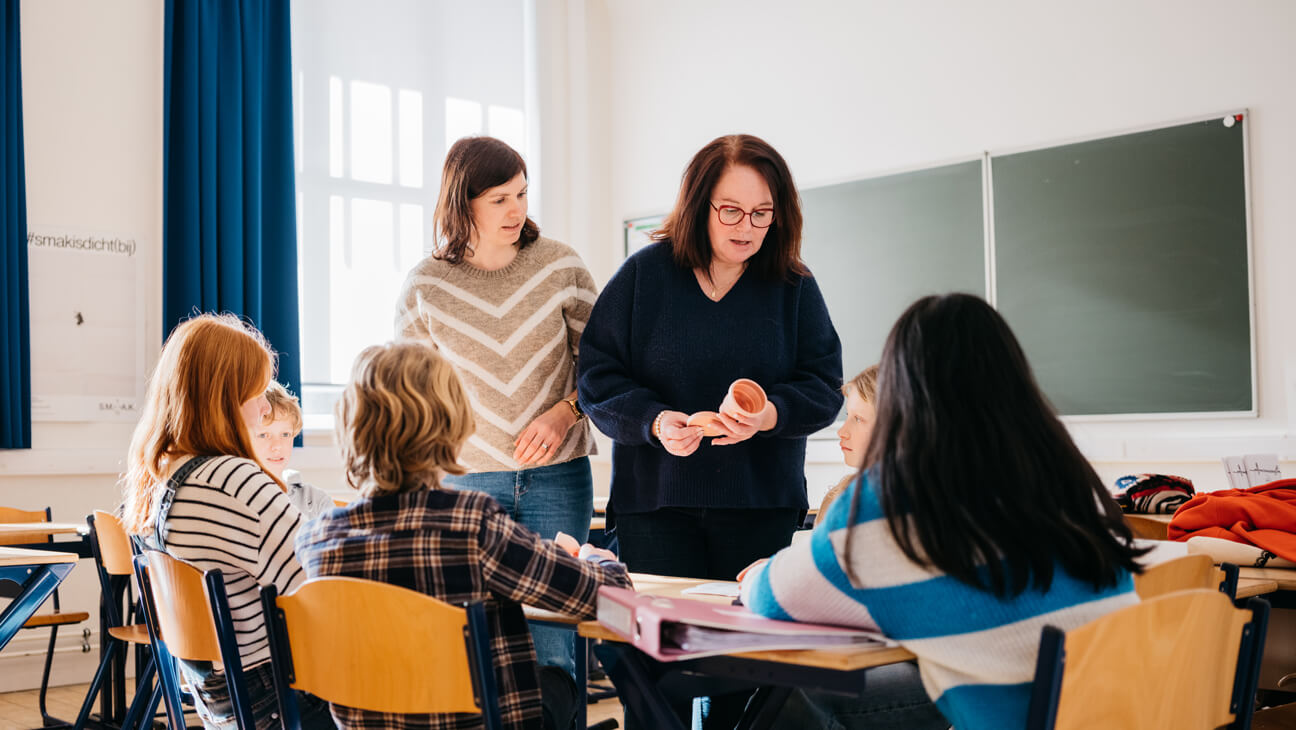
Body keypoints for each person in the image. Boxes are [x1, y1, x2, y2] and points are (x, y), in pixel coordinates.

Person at [740, 294, 1147, 730]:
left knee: (801, 695)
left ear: (901, 393)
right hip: (1119, 706)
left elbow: (772, 598)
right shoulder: (1060, 471)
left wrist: (766, 571)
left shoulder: (892, 496)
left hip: (1027, 712)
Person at [296, 340, 632, 730]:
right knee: (557, 681)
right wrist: (598, 562)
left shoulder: (318, 541)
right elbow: (608, 601)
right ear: (453, 425)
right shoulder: (472, 526)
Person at [577, 133, 844, 582]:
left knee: (743, 649)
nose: (746, 227)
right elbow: (596, 380)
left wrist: (768, 415)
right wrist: (656, 423)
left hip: (761, 506)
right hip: (655, 505)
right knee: (661, 647)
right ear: (699, 204)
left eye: (762, 214)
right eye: (731, 211)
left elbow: (823, 386)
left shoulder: (793, 285)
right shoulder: (644, 275)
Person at [395, 135, 598, 679]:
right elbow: (410, 398)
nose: (517, 210)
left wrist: (567, 412)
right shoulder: (425, 286)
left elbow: (604, 368)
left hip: (557, 477)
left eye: (522, 194)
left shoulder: (561, 266)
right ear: (463, 204)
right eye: (499, 199)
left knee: (551, 649)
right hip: (464, 484)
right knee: (475, 649)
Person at [119, 314, 334, 730]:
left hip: (223, 703)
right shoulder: (232, 480)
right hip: (282, 700)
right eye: (257, 393)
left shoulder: (163, 476)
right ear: (223, 398)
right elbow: (317, 586)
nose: (266, 407)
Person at [251, 380, 333, 520]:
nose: (277, 445)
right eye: (264, 435)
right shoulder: (237, 498)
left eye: (285, 434)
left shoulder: (315, 501)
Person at [819, 365, 878, 518]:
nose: (842, 432)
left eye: (858, 419)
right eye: (848, 416)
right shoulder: (839, 497)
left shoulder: (846, 503)